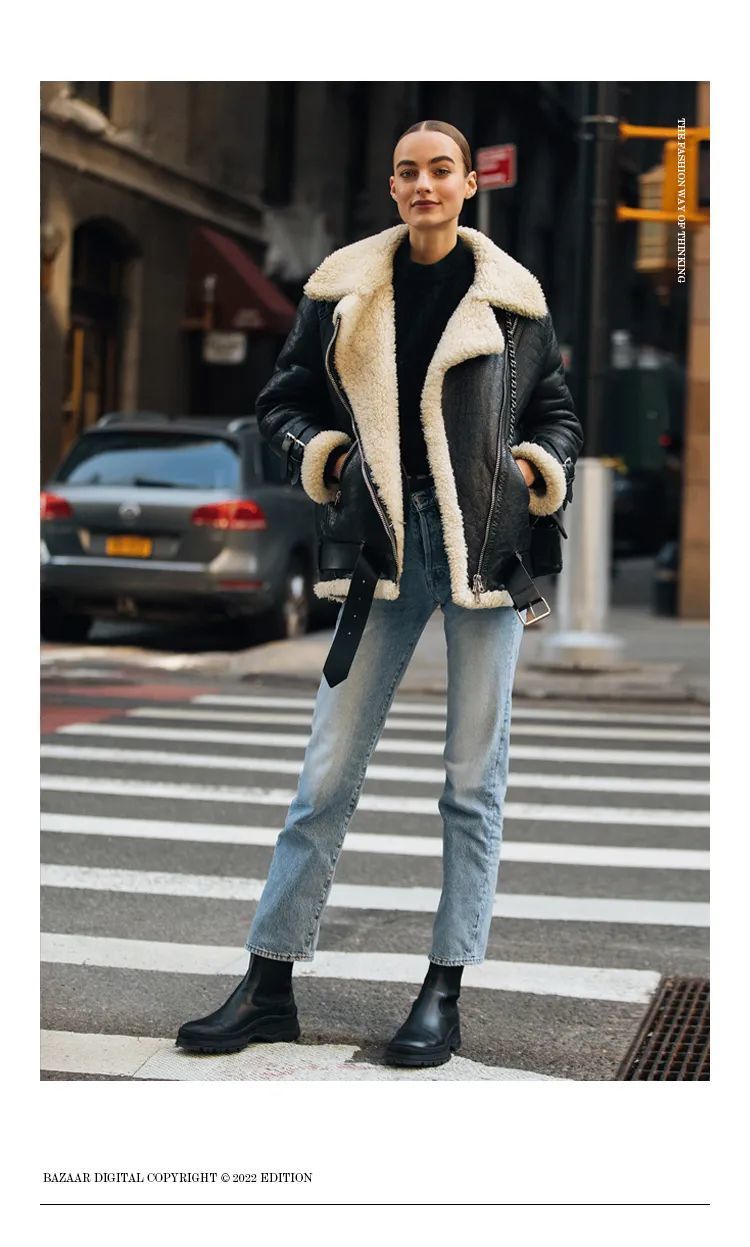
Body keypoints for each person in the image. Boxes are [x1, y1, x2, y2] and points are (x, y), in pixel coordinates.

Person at [176, 119, 584, 1068]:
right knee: (325, 773)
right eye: (408, 172)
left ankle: (444, 989)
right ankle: (268, 983)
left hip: (486, 552)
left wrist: (534, 468)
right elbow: (283, 401)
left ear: (469, 183)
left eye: (441, 169)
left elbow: (557, 411)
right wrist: (324, 456)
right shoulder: (342, 289)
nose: (424, 184)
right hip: (381, 548)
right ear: (393, 187)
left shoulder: (514, 302)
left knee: (472, 781)